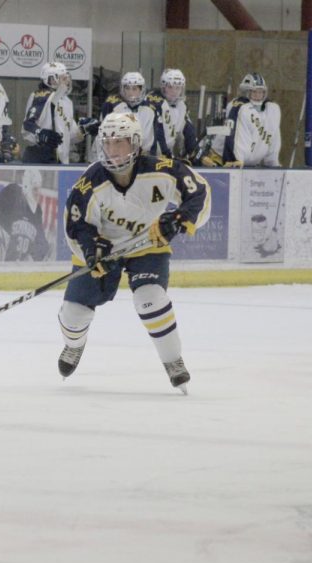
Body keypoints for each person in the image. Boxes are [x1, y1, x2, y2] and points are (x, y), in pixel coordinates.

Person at [56, 112, 211, 393]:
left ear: (136, 143)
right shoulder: (90, 181)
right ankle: (73, 345)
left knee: (150, 298)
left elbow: (199, 191)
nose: (113, 150)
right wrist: (91, 249)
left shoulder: (162, 170)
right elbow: (75, 224)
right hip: (105, 250)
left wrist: (178, 220)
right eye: (108, 143)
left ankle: (173, 360)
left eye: (121, 143)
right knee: (73, 314)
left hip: (147, 245)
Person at [22, 61, 97, 164]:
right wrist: (40, 134)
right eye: (63, 78)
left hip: (59, 160)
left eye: (67, 77)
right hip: (41, 157)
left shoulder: (66, 101)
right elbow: (28, 124)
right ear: (52, 80)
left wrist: (84, 129)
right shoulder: (43, 95)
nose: (68, 81)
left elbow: (68, 136)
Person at [204, 72, 281, 167]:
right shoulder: (237, 106)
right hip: (220, 157)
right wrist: (233, 159)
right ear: (246, 92)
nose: (258, 95)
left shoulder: (267, 110)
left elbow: (270, 138)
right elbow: (232, 134)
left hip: (242, 161)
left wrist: (272, 162)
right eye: (254, 92)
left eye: (260, 92)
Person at [0, 169, 51, 262]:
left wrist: (39, 252)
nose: (38, 193)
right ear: (26, 186)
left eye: (39, 188)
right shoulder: (12, 191)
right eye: (35, 189)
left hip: (20, 264)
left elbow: (41, 241)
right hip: (1, 254)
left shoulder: (37, 210)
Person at [96, 71, 158, 154]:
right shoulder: (112, 106)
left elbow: (152, 140)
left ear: (141, 90)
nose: (130, 92)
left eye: (134, 89)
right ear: (122, 89)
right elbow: (102, 134)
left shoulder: (150, 110)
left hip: (143, 156)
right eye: (127, 88)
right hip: (117, 155)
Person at [147, 68, 197, 159]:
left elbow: (188, 130)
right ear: (163, 87)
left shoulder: (182, 105)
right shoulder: (155, 101)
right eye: (170, 87)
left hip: (167, 151)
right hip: (151, 153)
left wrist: (195, 152)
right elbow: (157, 131)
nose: (174, 92)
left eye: (178, 88)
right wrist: (166, 154)